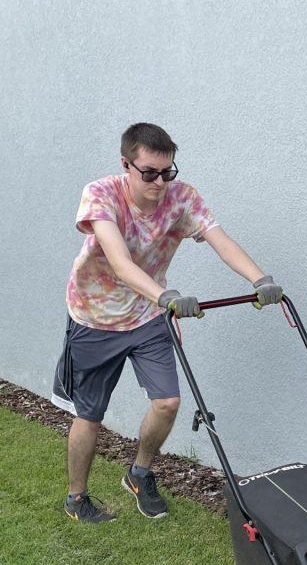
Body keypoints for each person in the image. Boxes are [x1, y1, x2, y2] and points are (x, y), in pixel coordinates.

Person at [52, 122, 283, 523]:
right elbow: (120, 263)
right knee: (90, 415)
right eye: (150, 173)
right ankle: (77, 498)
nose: (160, 182)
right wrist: (166, 295)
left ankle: (139, 473)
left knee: (168, 402)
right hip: (94, 317)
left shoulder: (182, 198)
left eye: (167, 171)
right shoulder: (101, 194)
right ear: (126, 164)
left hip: (147, 316)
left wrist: (260, 279)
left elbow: (219, 239)